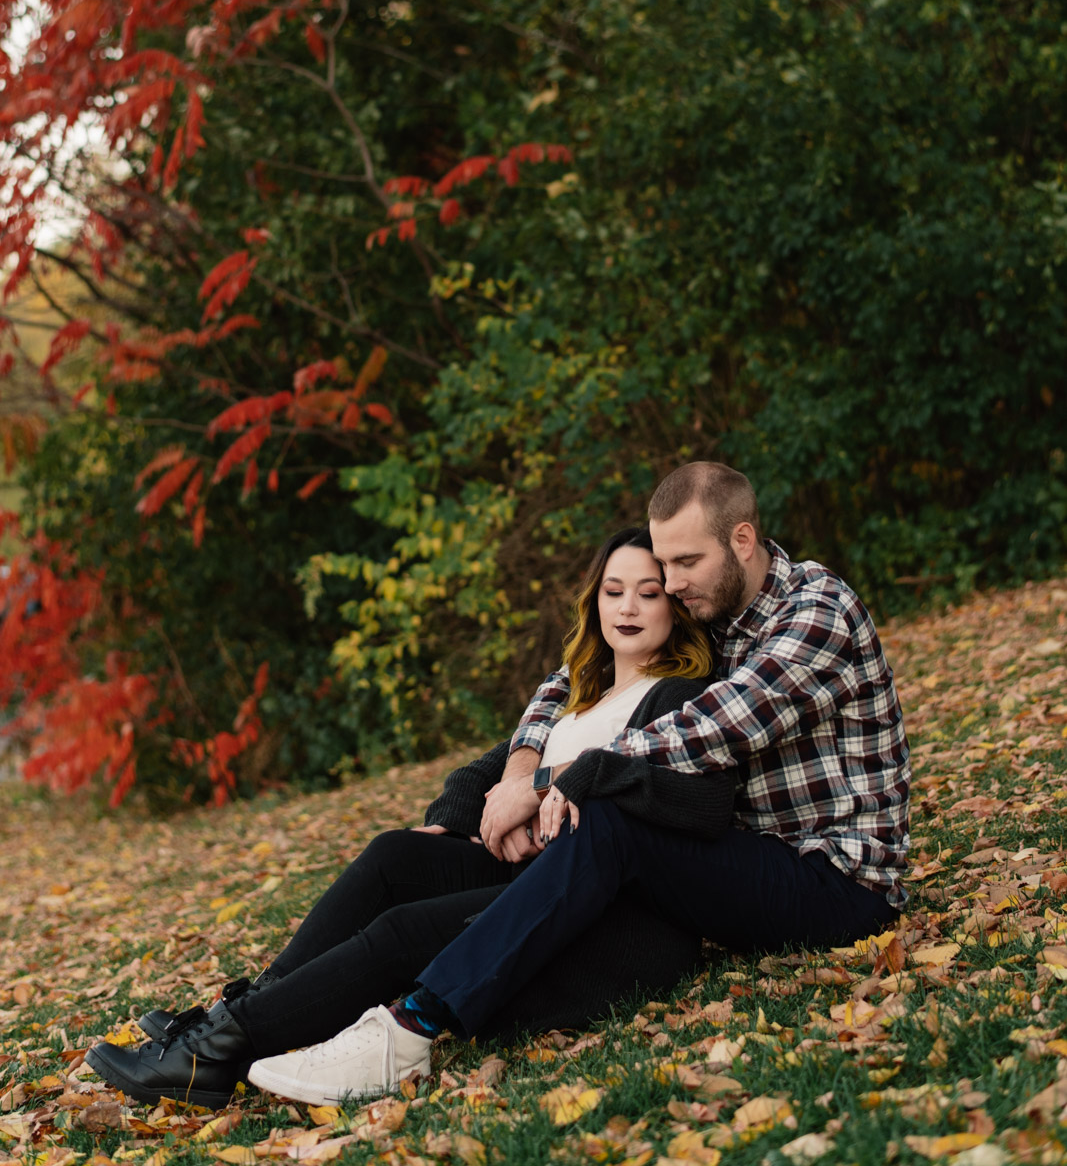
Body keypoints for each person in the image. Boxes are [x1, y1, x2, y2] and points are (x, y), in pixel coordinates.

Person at [244, 460, 911, 1106]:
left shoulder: (816, 610)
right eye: (663, 564)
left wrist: (567, 776)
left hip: (836, 883)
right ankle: (261, 1012)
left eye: (684, 563)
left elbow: (717, 728)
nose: (670, 584)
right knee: (550, 827)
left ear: (742, 540)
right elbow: (575, 682)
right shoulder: (718, 606)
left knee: (609, 812)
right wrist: (523, 764)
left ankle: (412, 1026)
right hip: (746, 863)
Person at [86, 524, 735, 1109]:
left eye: (647, 593)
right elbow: (482, 772)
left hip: (600, 913)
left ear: (675, 607)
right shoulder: (577, 696)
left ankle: (212, 1053)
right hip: (524, 873)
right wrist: (452, 822)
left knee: (404, 930)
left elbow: (674, 796)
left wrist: (542, 791)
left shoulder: (677, 699)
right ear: (593, 600)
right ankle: (238, 1013)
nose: (626, 607)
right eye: (613, 590)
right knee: (395, 855)